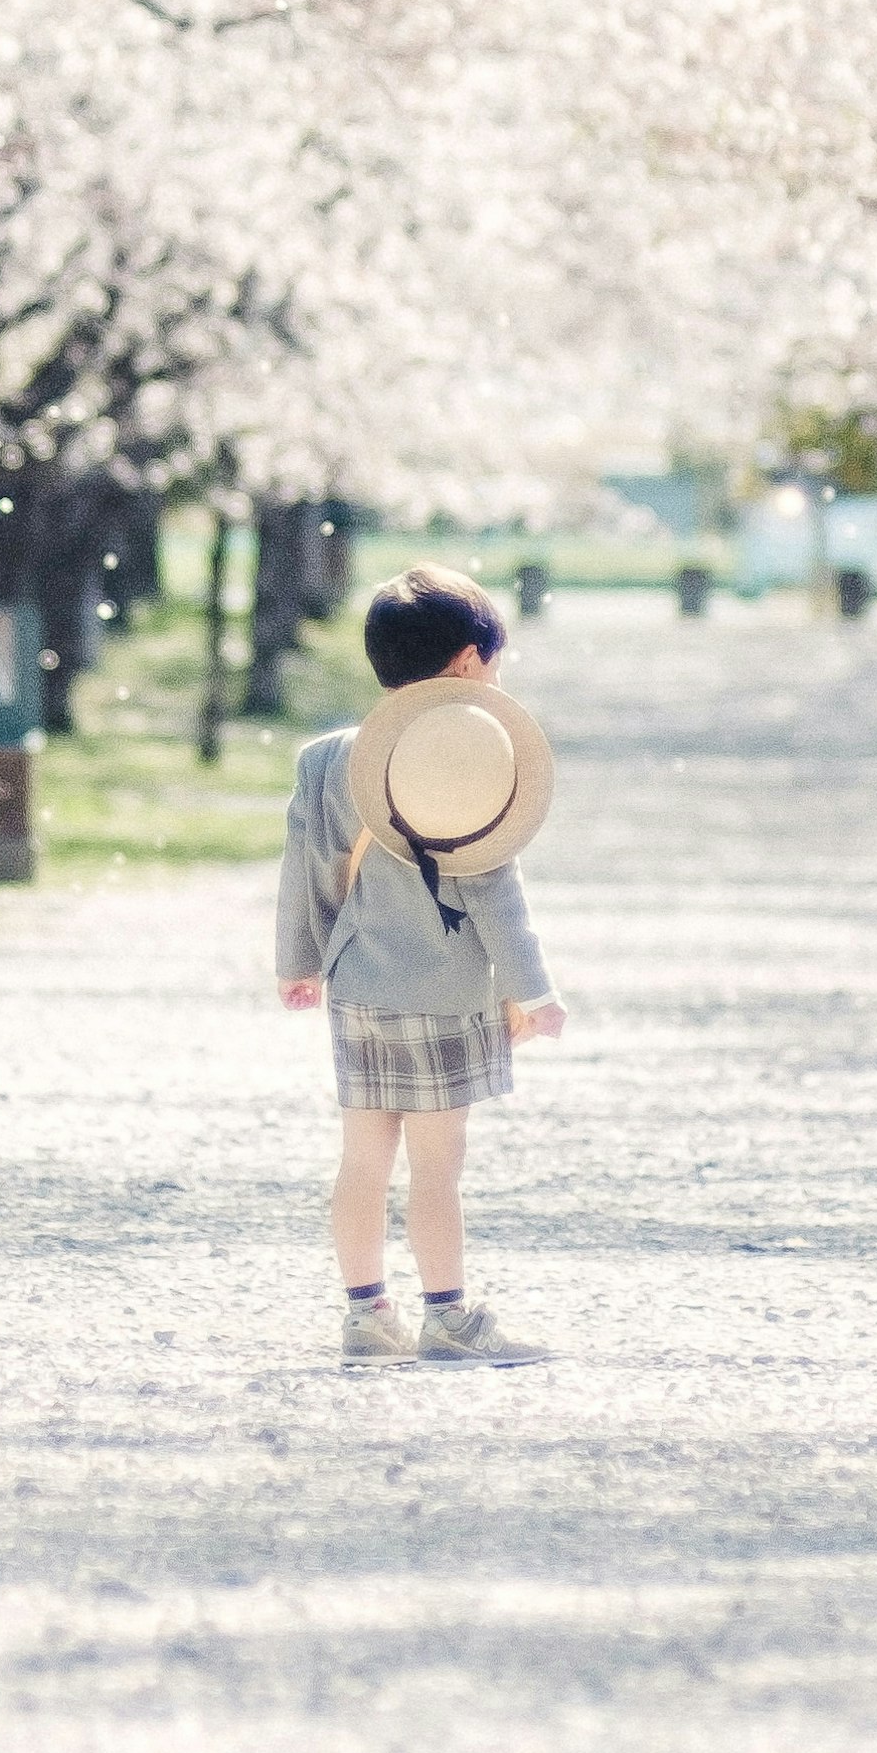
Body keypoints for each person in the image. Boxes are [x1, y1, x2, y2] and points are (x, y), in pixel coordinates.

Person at [275, 559, 562, 1365]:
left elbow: (305, 867)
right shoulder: (472, 756)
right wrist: (535, 992)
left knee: (363, 1155)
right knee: (438, 1163)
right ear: (469, 662)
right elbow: (493, 891)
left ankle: (366, 1317)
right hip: (445, 993)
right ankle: (448, 1318)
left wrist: (297, 962)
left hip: (359, 985)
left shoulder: (327, 759)